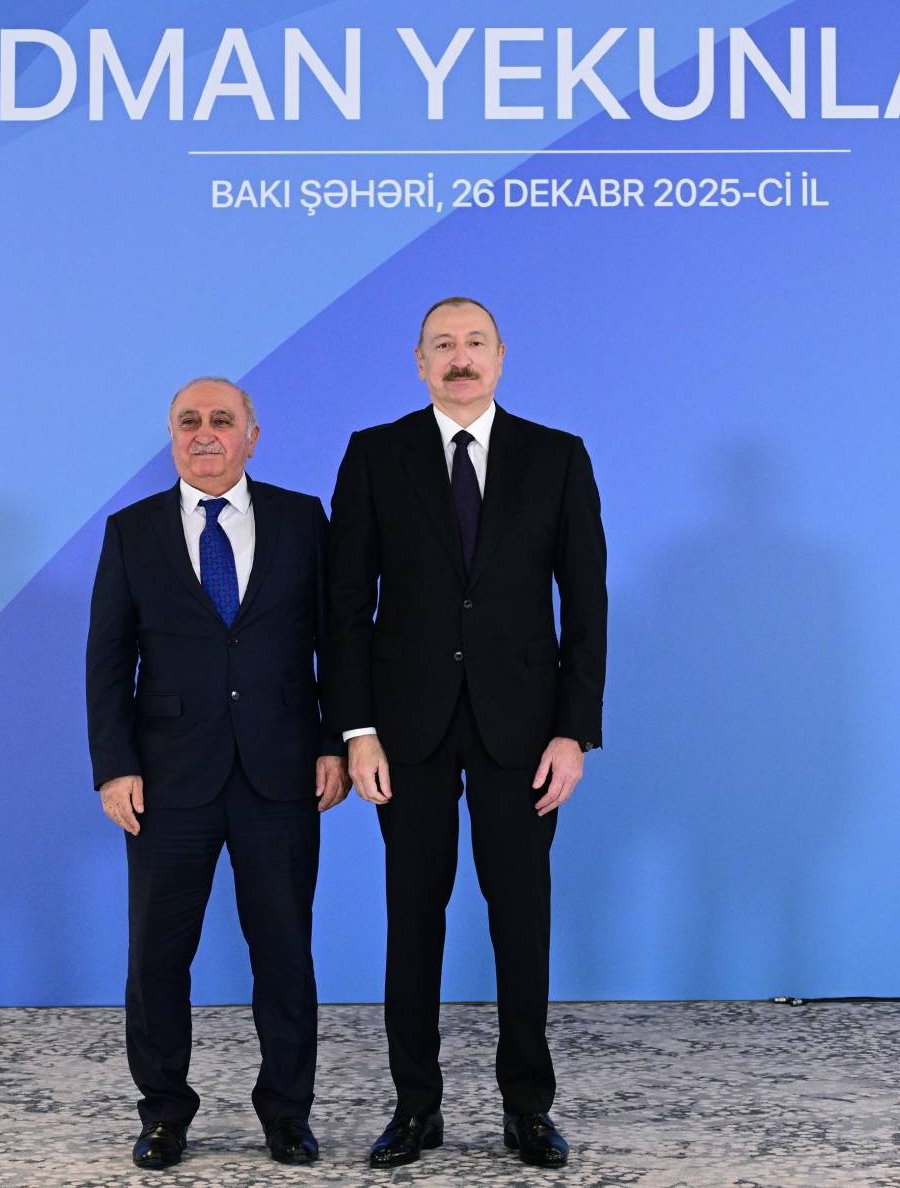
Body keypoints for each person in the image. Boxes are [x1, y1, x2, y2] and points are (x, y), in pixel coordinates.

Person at [324, 297, 608, 1169]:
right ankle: (415, 1109)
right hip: (402, 732)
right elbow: (344, 606)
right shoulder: (374, 454)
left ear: (501, 356)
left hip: (522, 733)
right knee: (412, 920)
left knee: (521, 922)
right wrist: (356, 731)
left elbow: (585, 603)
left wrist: (573, 733)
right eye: (442, 345)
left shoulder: (557, 456)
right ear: (418, 362)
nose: (459, 357)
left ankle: (527, 1109)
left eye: (474, 343)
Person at [87, 377, 349, 1170]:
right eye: (188, 421)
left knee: (285, 954)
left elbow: (336, 641)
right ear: (172, 437)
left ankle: (287, 1114)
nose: (205, 433)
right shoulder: (131, 531)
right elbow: (108, 661)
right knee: (156, 959)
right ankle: (164, 1114)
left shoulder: (302, 519)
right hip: (167, 782)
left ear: (251, 437)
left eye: (221, 420)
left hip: (282, 773)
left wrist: (334, 742)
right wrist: (114, 767)